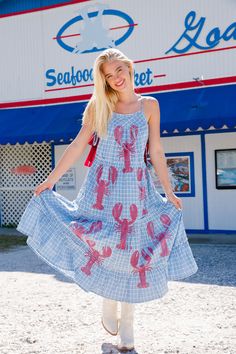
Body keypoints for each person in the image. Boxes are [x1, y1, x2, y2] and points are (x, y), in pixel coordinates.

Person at [17, 48, 198, 352]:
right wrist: (50, 180)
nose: (115, 79)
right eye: (107, 75)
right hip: (102, 189)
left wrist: (168, 189)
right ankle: (108, 300)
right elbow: (77, 146)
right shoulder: (99, 106)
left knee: (133, 251)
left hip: (137, 188)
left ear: (129, 68)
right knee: (102, 243)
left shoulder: (150, 105)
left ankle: (127, 323)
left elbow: (155, 150)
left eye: (118, 71)